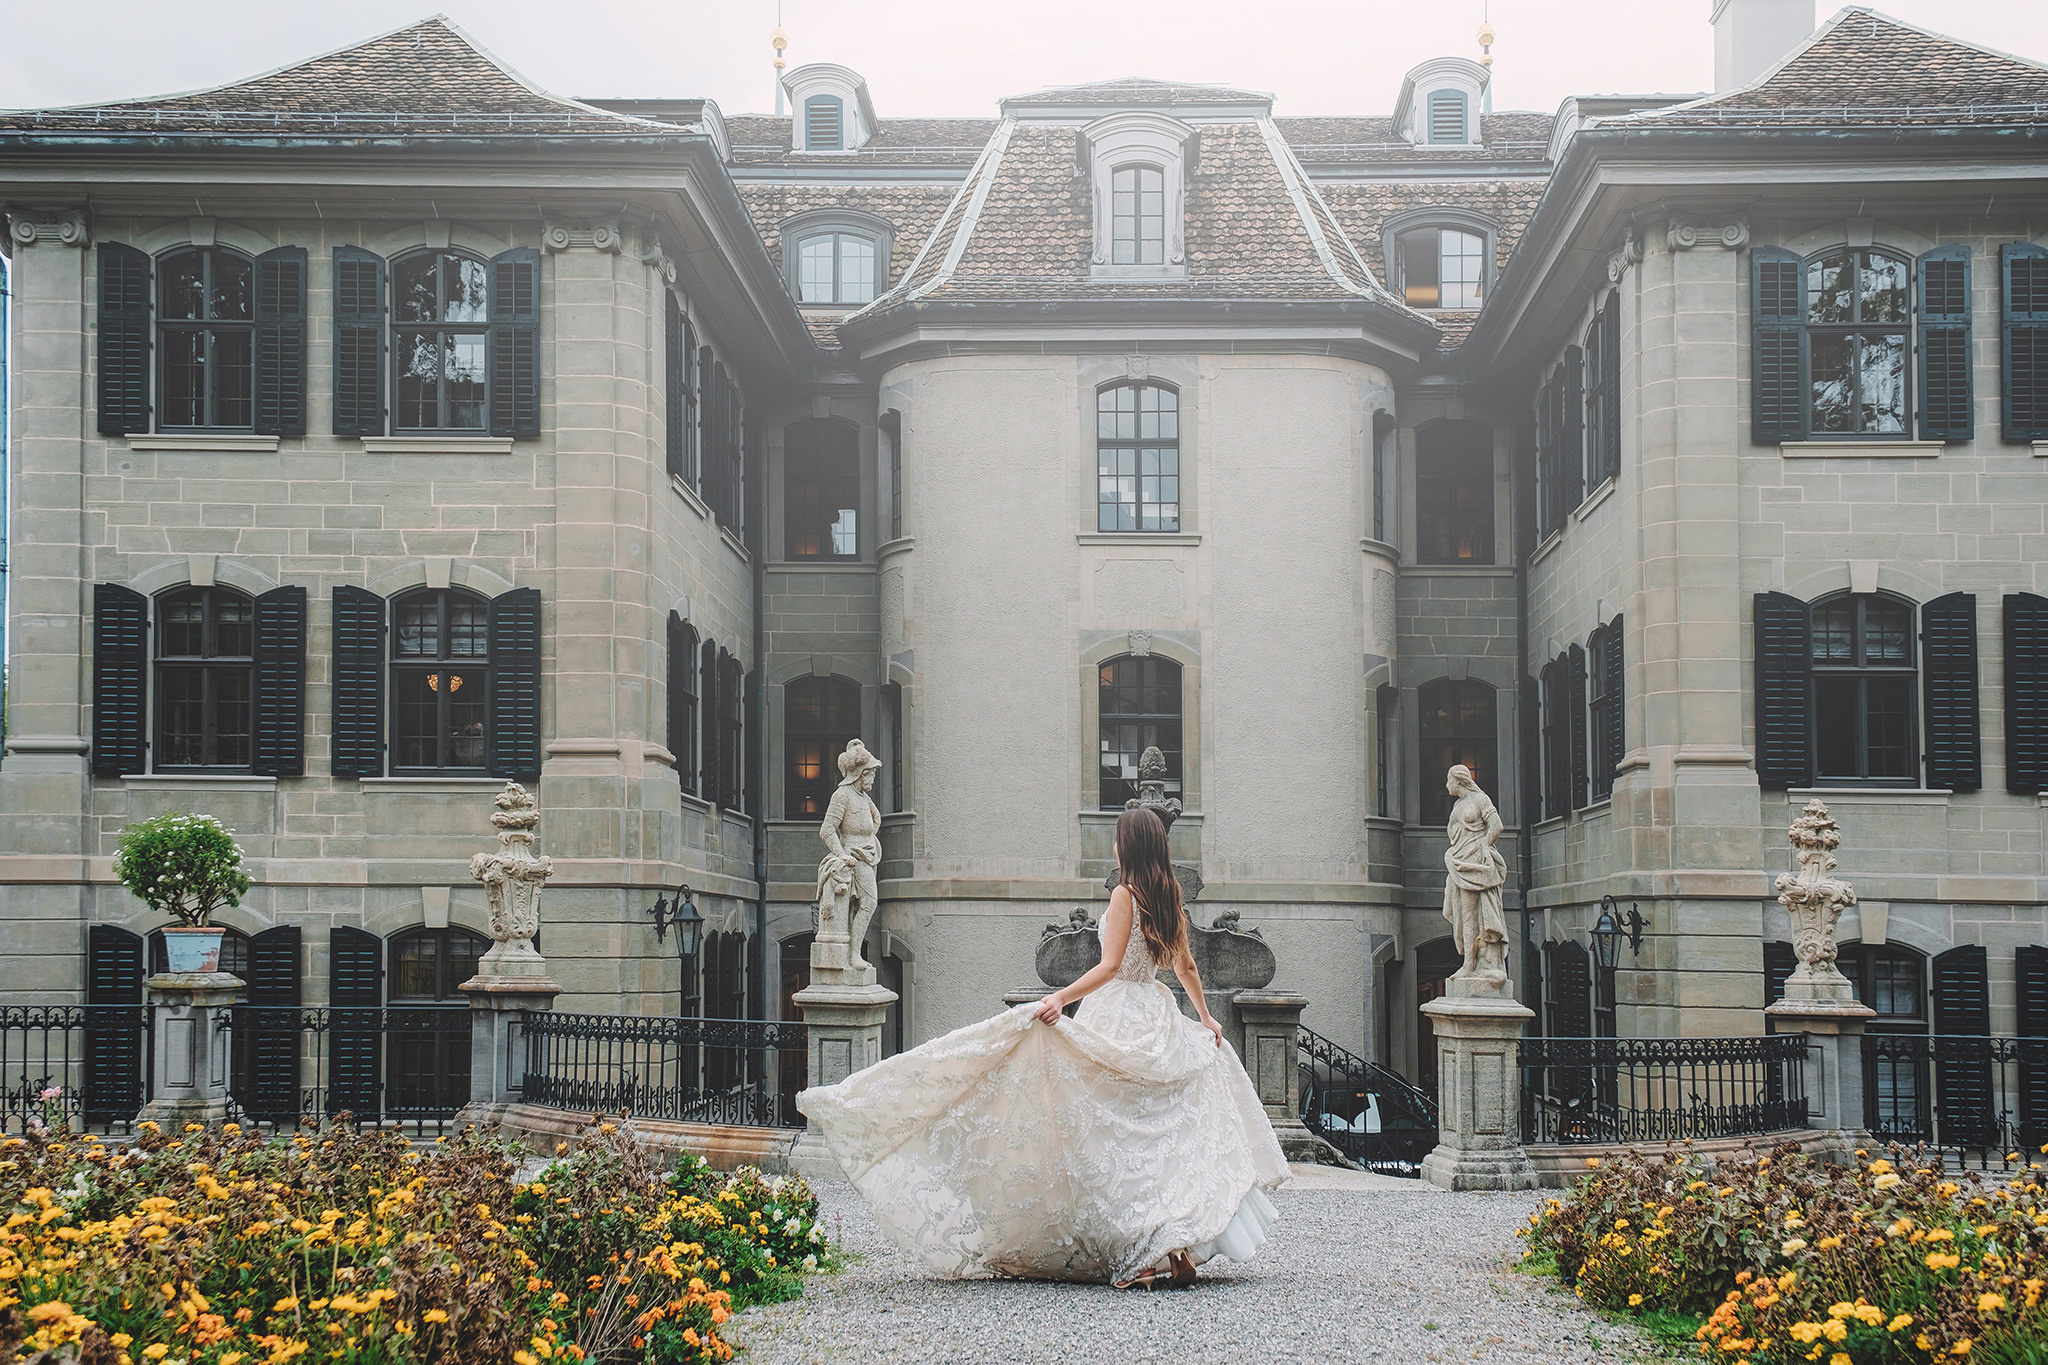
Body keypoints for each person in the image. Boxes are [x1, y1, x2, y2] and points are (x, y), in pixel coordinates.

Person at [797, 805, 1287, 1288]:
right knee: (1148, 1132)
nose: (1113, 846)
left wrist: (1059, 997)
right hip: (1155, 1012)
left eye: (1118, 838)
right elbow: (1186, 968)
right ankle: (1172, 1247)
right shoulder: (1169, 898)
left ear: (1130, 848)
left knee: (1108, 1134)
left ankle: (1142, 1250)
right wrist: (1204, 1019)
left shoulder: (1126, 895)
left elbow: (1111, 966)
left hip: (1117, 1009)